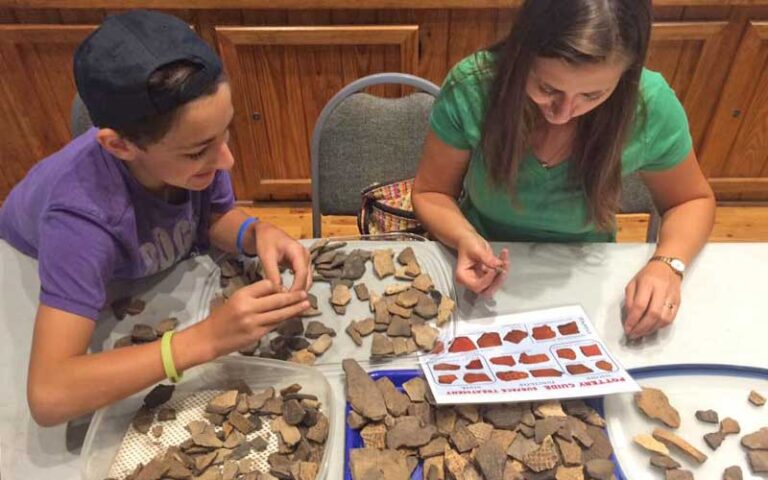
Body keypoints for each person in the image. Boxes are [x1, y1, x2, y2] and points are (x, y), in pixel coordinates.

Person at [0, 10, 311, 426]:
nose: (227, 160)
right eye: (198, 150)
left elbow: (211, 217)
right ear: (119, 146)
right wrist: (203, 340)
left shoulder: (191, 158)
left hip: (135, 272)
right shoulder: (79, 223)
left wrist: (254, 233)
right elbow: (49, 395)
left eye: (226, 132)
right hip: (32, 274)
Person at [412, 0, 716, 339]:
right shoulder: (473, 86)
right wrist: (463, 236)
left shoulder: (648, 104)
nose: (563, 113)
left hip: (587, 274)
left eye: (592, 94)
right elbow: (431, 192)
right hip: (479, 268)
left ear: (625, 76)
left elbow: (690, 201)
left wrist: (668, 265)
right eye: (547, 89)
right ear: (519, 55)